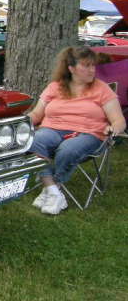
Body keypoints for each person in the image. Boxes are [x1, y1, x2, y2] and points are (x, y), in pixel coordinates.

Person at [27, 46, 126, 215]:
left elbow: (119, 120)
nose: (92, 70)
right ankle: (54, 192)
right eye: (86, 66)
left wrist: (114, 127)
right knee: (33, 141)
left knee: (68, 149)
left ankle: (50, 187)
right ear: (71, 68)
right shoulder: (54, 87)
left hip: (89, 134)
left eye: (93, 66)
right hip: (52, 129)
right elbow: (37, 114)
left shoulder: (102, 88)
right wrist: (21, 122)